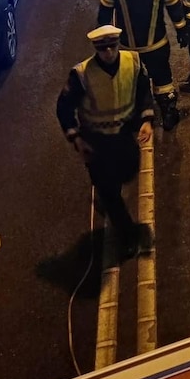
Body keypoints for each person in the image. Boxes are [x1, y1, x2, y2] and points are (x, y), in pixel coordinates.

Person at [56, 25, 154, 259]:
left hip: (122, 136)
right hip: (96, 142)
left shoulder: (134, 62)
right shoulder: (81, 74)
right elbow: (64, 107)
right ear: (95, 49)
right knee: (110, 192)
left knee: (129, 171)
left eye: (112, 46)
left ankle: (109, 197)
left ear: (118, 44)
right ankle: (127, 236)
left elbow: (143, 92)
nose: (108, 52)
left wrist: (147, 119)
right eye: (103, 49)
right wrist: (76, 138)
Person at [98, 0, 187, 131]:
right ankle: (168, 114)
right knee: (162, 79)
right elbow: (175, 9)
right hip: (156, 44)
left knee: (131, 81)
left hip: (126, 48)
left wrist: (104, 43)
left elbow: (104, 14)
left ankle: (134, 117)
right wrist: (181, 31)